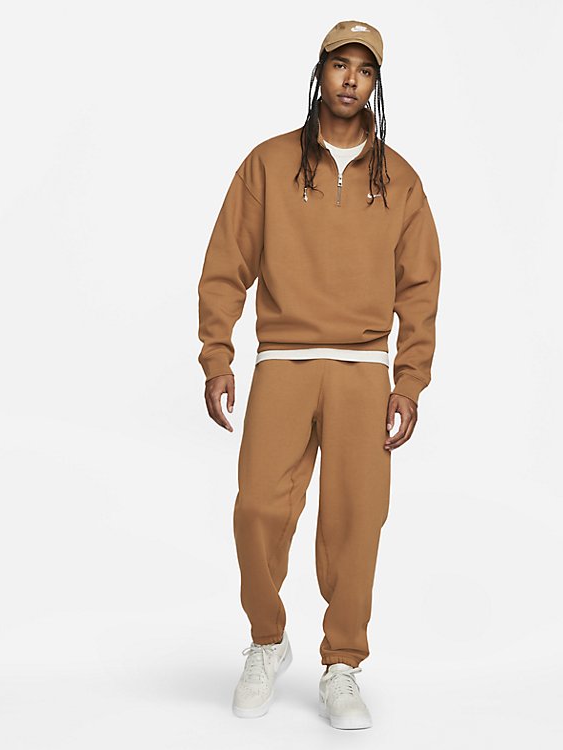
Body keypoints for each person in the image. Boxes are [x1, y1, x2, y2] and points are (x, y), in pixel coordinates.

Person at [197, 19, 441, 730]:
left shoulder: (400, 180)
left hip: (364, 369)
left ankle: (343, 664)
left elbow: (420, 286)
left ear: (376, 84)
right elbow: (226, 265)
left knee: (357, 519)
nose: (350, 79)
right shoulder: (267, 164)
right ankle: (267, 642)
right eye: (340, 64)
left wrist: (409, 380)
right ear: (320, 73)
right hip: (284, 361)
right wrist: (218, 355)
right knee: (258, 510)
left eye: (365, 69)